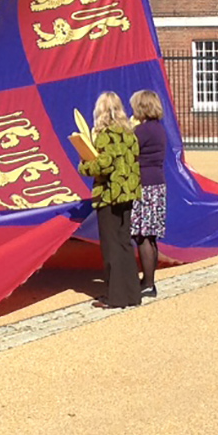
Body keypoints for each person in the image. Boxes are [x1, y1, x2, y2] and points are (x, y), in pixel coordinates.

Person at [78, 91, 142, 308]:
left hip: (109, 193)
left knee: (111, 245)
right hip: (128, 191)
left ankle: (116, 296)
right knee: (124, 242)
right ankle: (132, 293)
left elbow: (103, 165)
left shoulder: (105, 134)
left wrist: (85, 165)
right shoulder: (130, 133)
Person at [129, 89, 168, 299]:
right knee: (151, 236)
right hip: (158, 184)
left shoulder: (141, 132)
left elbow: (129, 153)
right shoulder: (159, 129)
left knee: (142, 235)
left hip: (144, 185)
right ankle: (149, 280)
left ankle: (148, 282)